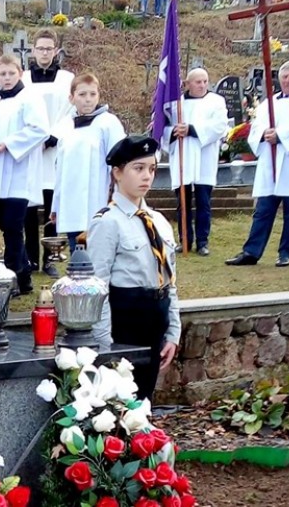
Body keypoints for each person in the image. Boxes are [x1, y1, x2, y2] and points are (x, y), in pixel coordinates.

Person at [87, 135, 180, 400]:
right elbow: (98, 286)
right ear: (117, 173)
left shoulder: (159, 221)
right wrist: (105, 343)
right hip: (126, 321)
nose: (147, 176)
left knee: (144, 400)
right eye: (138, 168)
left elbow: (170, 282)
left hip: (156, 318)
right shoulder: (108, 222)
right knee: (121, 401)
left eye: (151, 169)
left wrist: (173, 332)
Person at [226, 60, 289, 267]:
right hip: (270, 164)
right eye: (284, 77)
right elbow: (256, 127)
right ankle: (251, 251)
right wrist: (264, 134)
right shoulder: (270, 103)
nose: (287, 81)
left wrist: (281, 135)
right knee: (263, 211)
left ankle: (286, 252)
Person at [0, 54, 49, 294]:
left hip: (20, 173)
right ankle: (24, 276)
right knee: (6, 226)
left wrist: (8, 144)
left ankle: (13, 277)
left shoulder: (30, 98)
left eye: (11, 73)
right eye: (2, 74)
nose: (7, 78)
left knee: (13, 226)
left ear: (20, 74)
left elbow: (40, 129)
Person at [51, 73, 126, 250]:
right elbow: (60, 169)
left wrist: (118, 197)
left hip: (98, 199)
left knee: (99, 253)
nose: (88, 99)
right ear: (71, 98)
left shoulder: (108, 123)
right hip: (71, 203)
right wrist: (56, 205)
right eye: (82, 94)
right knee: (76, 254)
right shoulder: (66, 125)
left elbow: (119, 161)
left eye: (93, 94)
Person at [20, 29, 73, 277]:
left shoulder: (66, 79)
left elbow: (71, 112)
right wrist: (32, 138)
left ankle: (50, 259)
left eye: (49, 49)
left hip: (54, 150)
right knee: (29, 210)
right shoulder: (23, 79)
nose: (44, 53)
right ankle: (31, 258)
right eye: (40, 48)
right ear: (33, 50)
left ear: (56, 51)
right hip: (30, 151)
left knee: (52, 207)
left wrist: (53, 136)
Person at [160, 68, 229, 256]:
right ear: (188, 84)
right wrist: (174, 132)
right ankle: (185, 239)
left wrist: (191, 130)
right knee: (183, 203)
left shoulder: (216, 101)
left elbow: (220, 126)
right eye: (198, 82)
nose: (202, 85)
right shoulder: (176, 104)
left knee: (203, 202)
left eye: (205, 81)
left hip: (204, 157)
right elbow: (163, 127)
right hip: (182, 157)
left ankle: (202, 242)